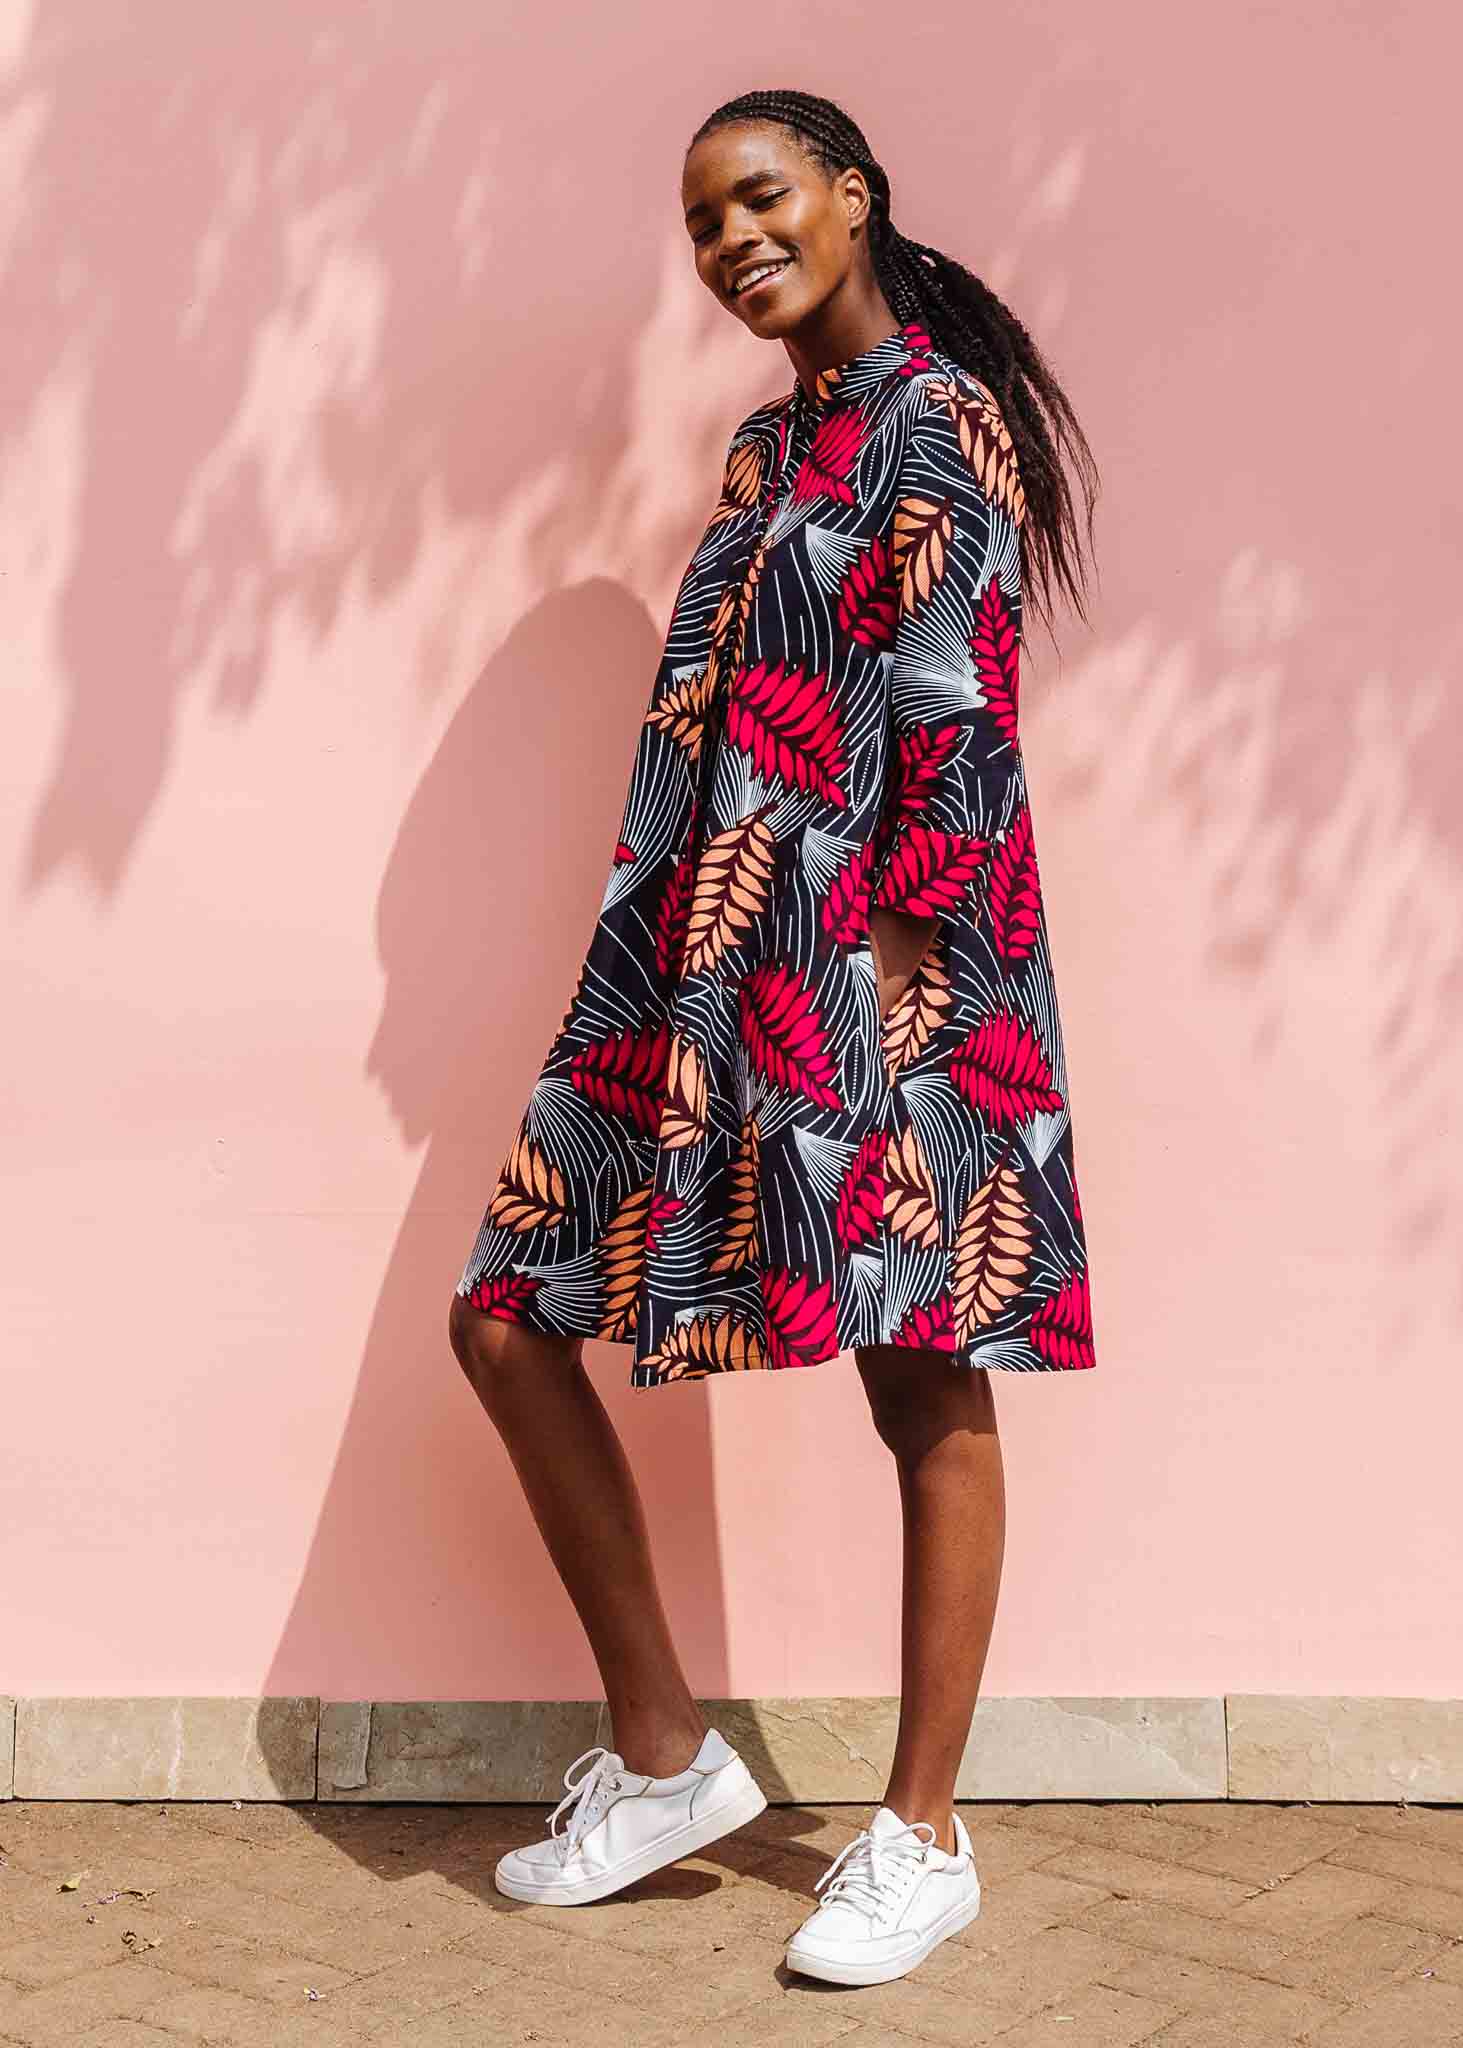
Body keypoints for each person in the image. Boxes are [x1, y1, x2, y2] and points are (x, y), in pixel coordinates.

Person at [448, 86, 1101, 1988]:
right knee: (505, 1320)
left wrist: (899, 966)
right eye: (703, 224)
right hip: (701, 946)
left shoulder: (941, 422)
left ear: (853, 193)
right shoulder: (766, 447)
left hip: (895, 953)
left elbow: (954, 708)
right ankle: (667, 1760)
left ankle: (923, 1834)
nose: (734, 242)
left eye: (761, 198)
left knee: (922, 1368)